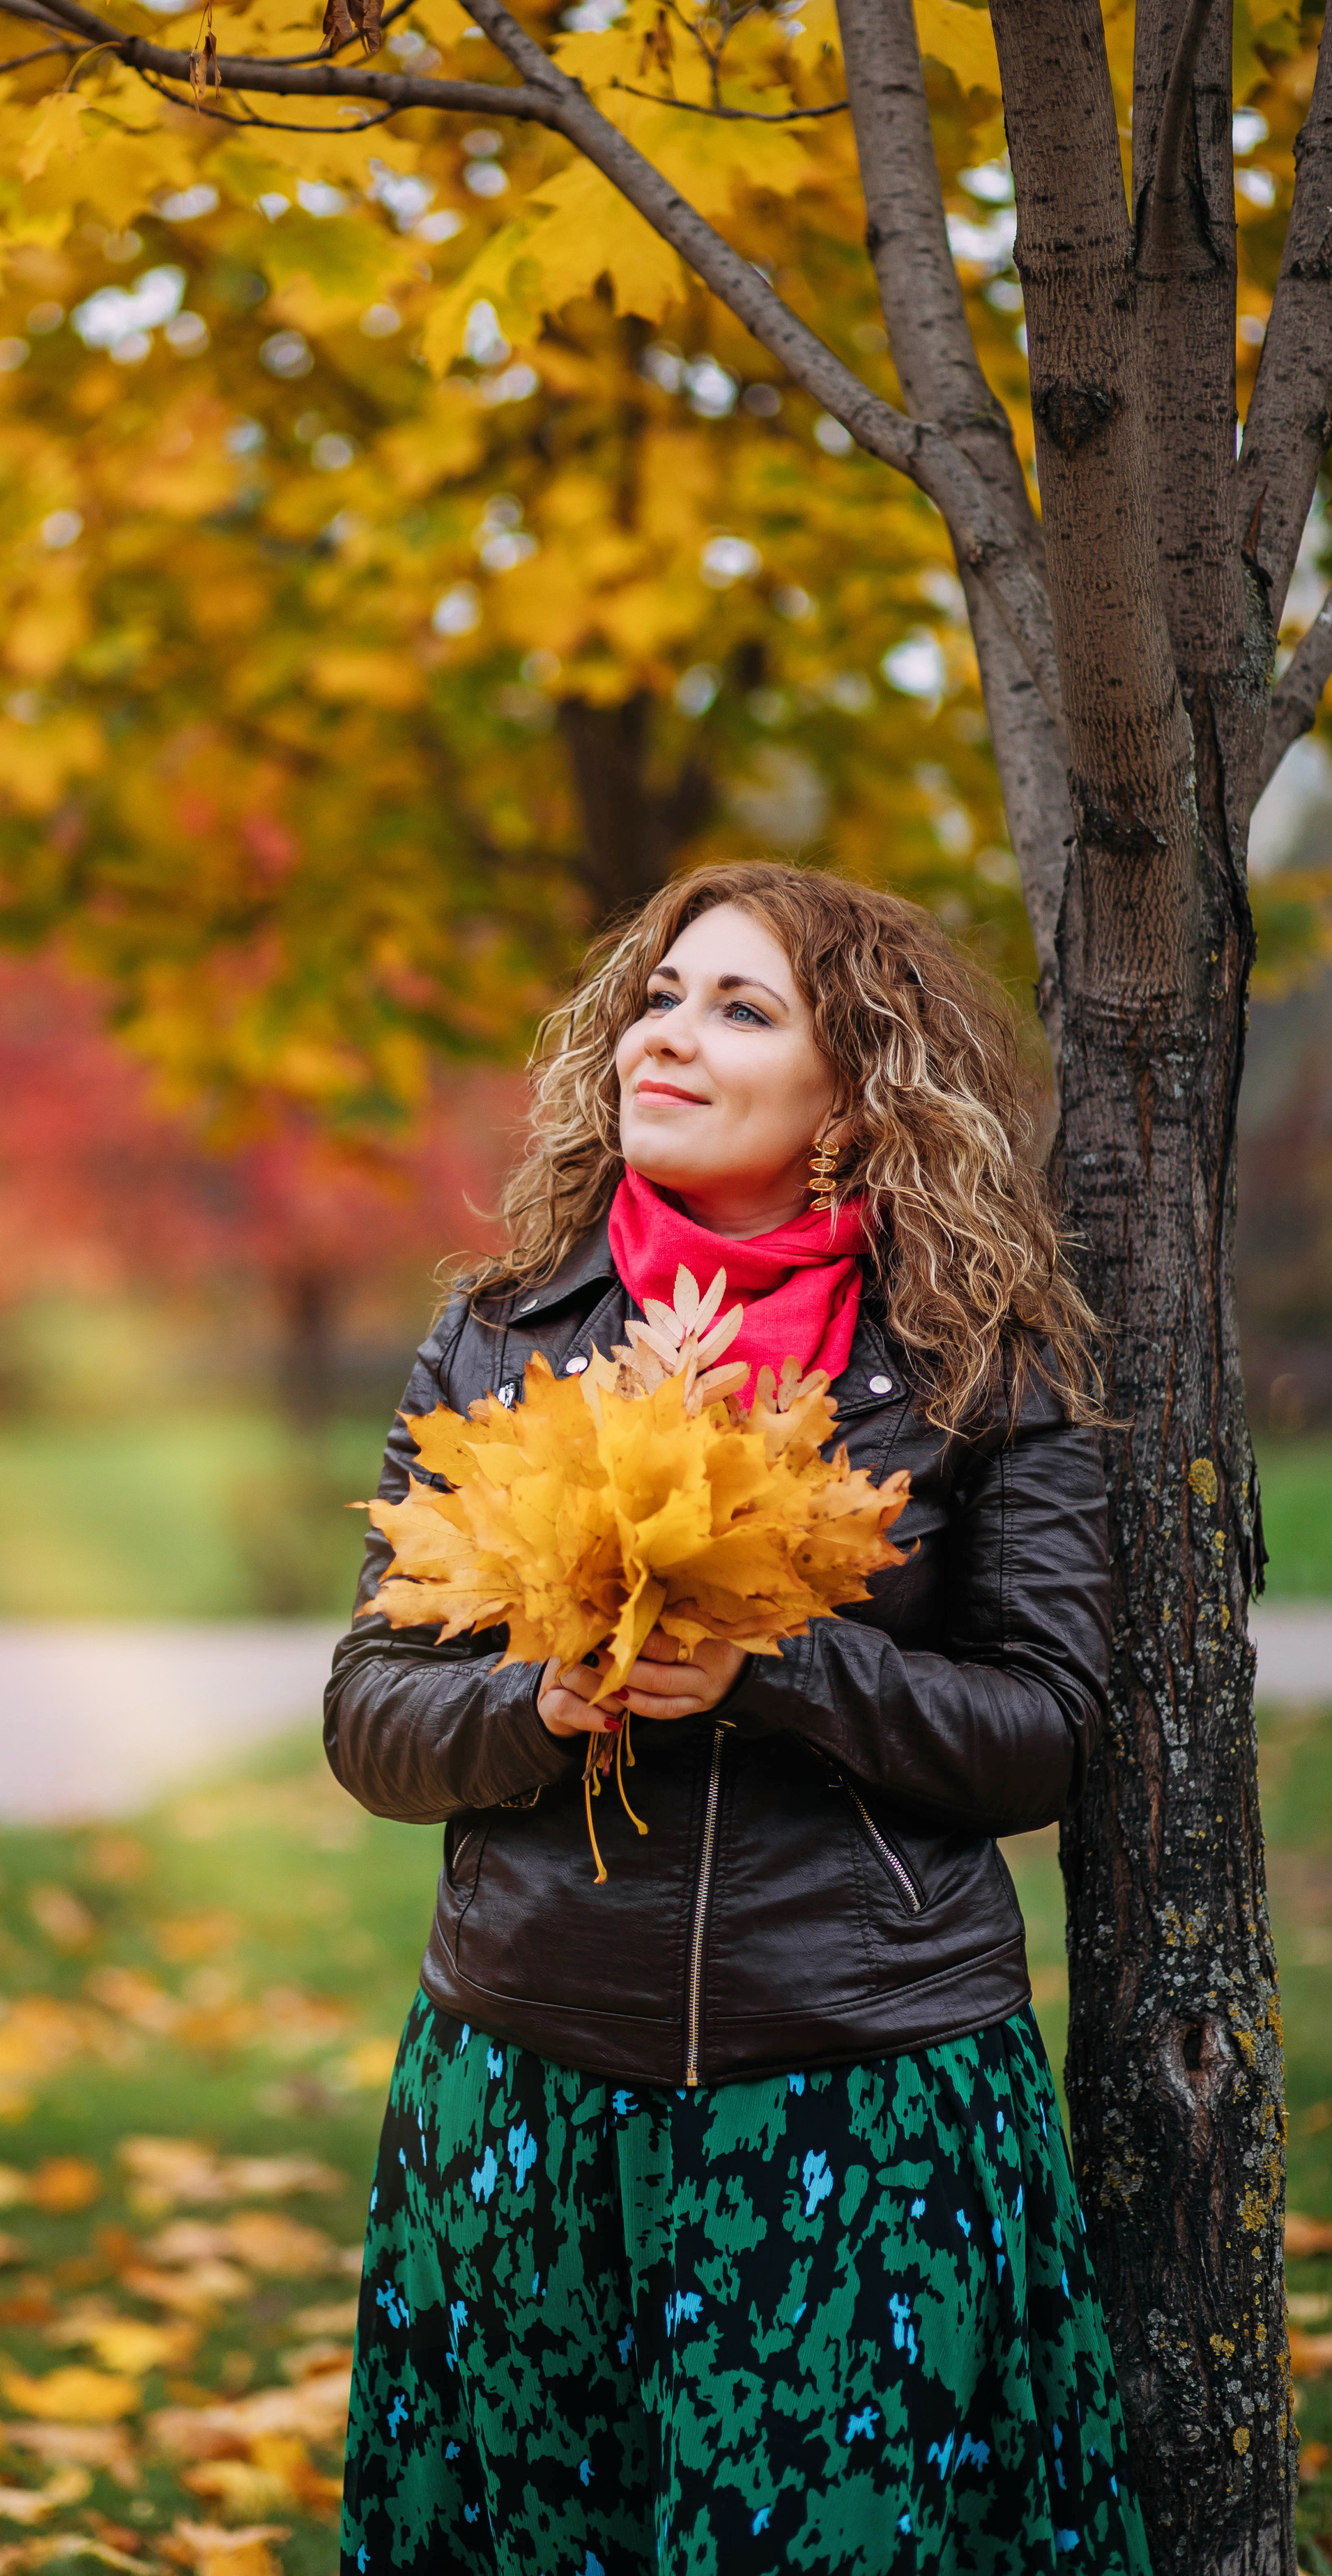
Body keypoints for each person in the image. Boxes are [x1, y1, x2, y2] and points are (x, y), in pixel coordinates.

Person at [326, 863, 1152, 2576]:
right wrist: (540, 1703)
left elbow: (1040, 1730)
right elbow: (367, 1712)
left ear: (855, 1101)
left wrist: (784, 1668)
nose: (665, 1035)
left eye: (738, 1008)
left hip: (855, 2102)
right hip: (523, 2101)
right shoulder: (496, 1342)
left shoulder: (976, 1367)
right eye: (658, 996)